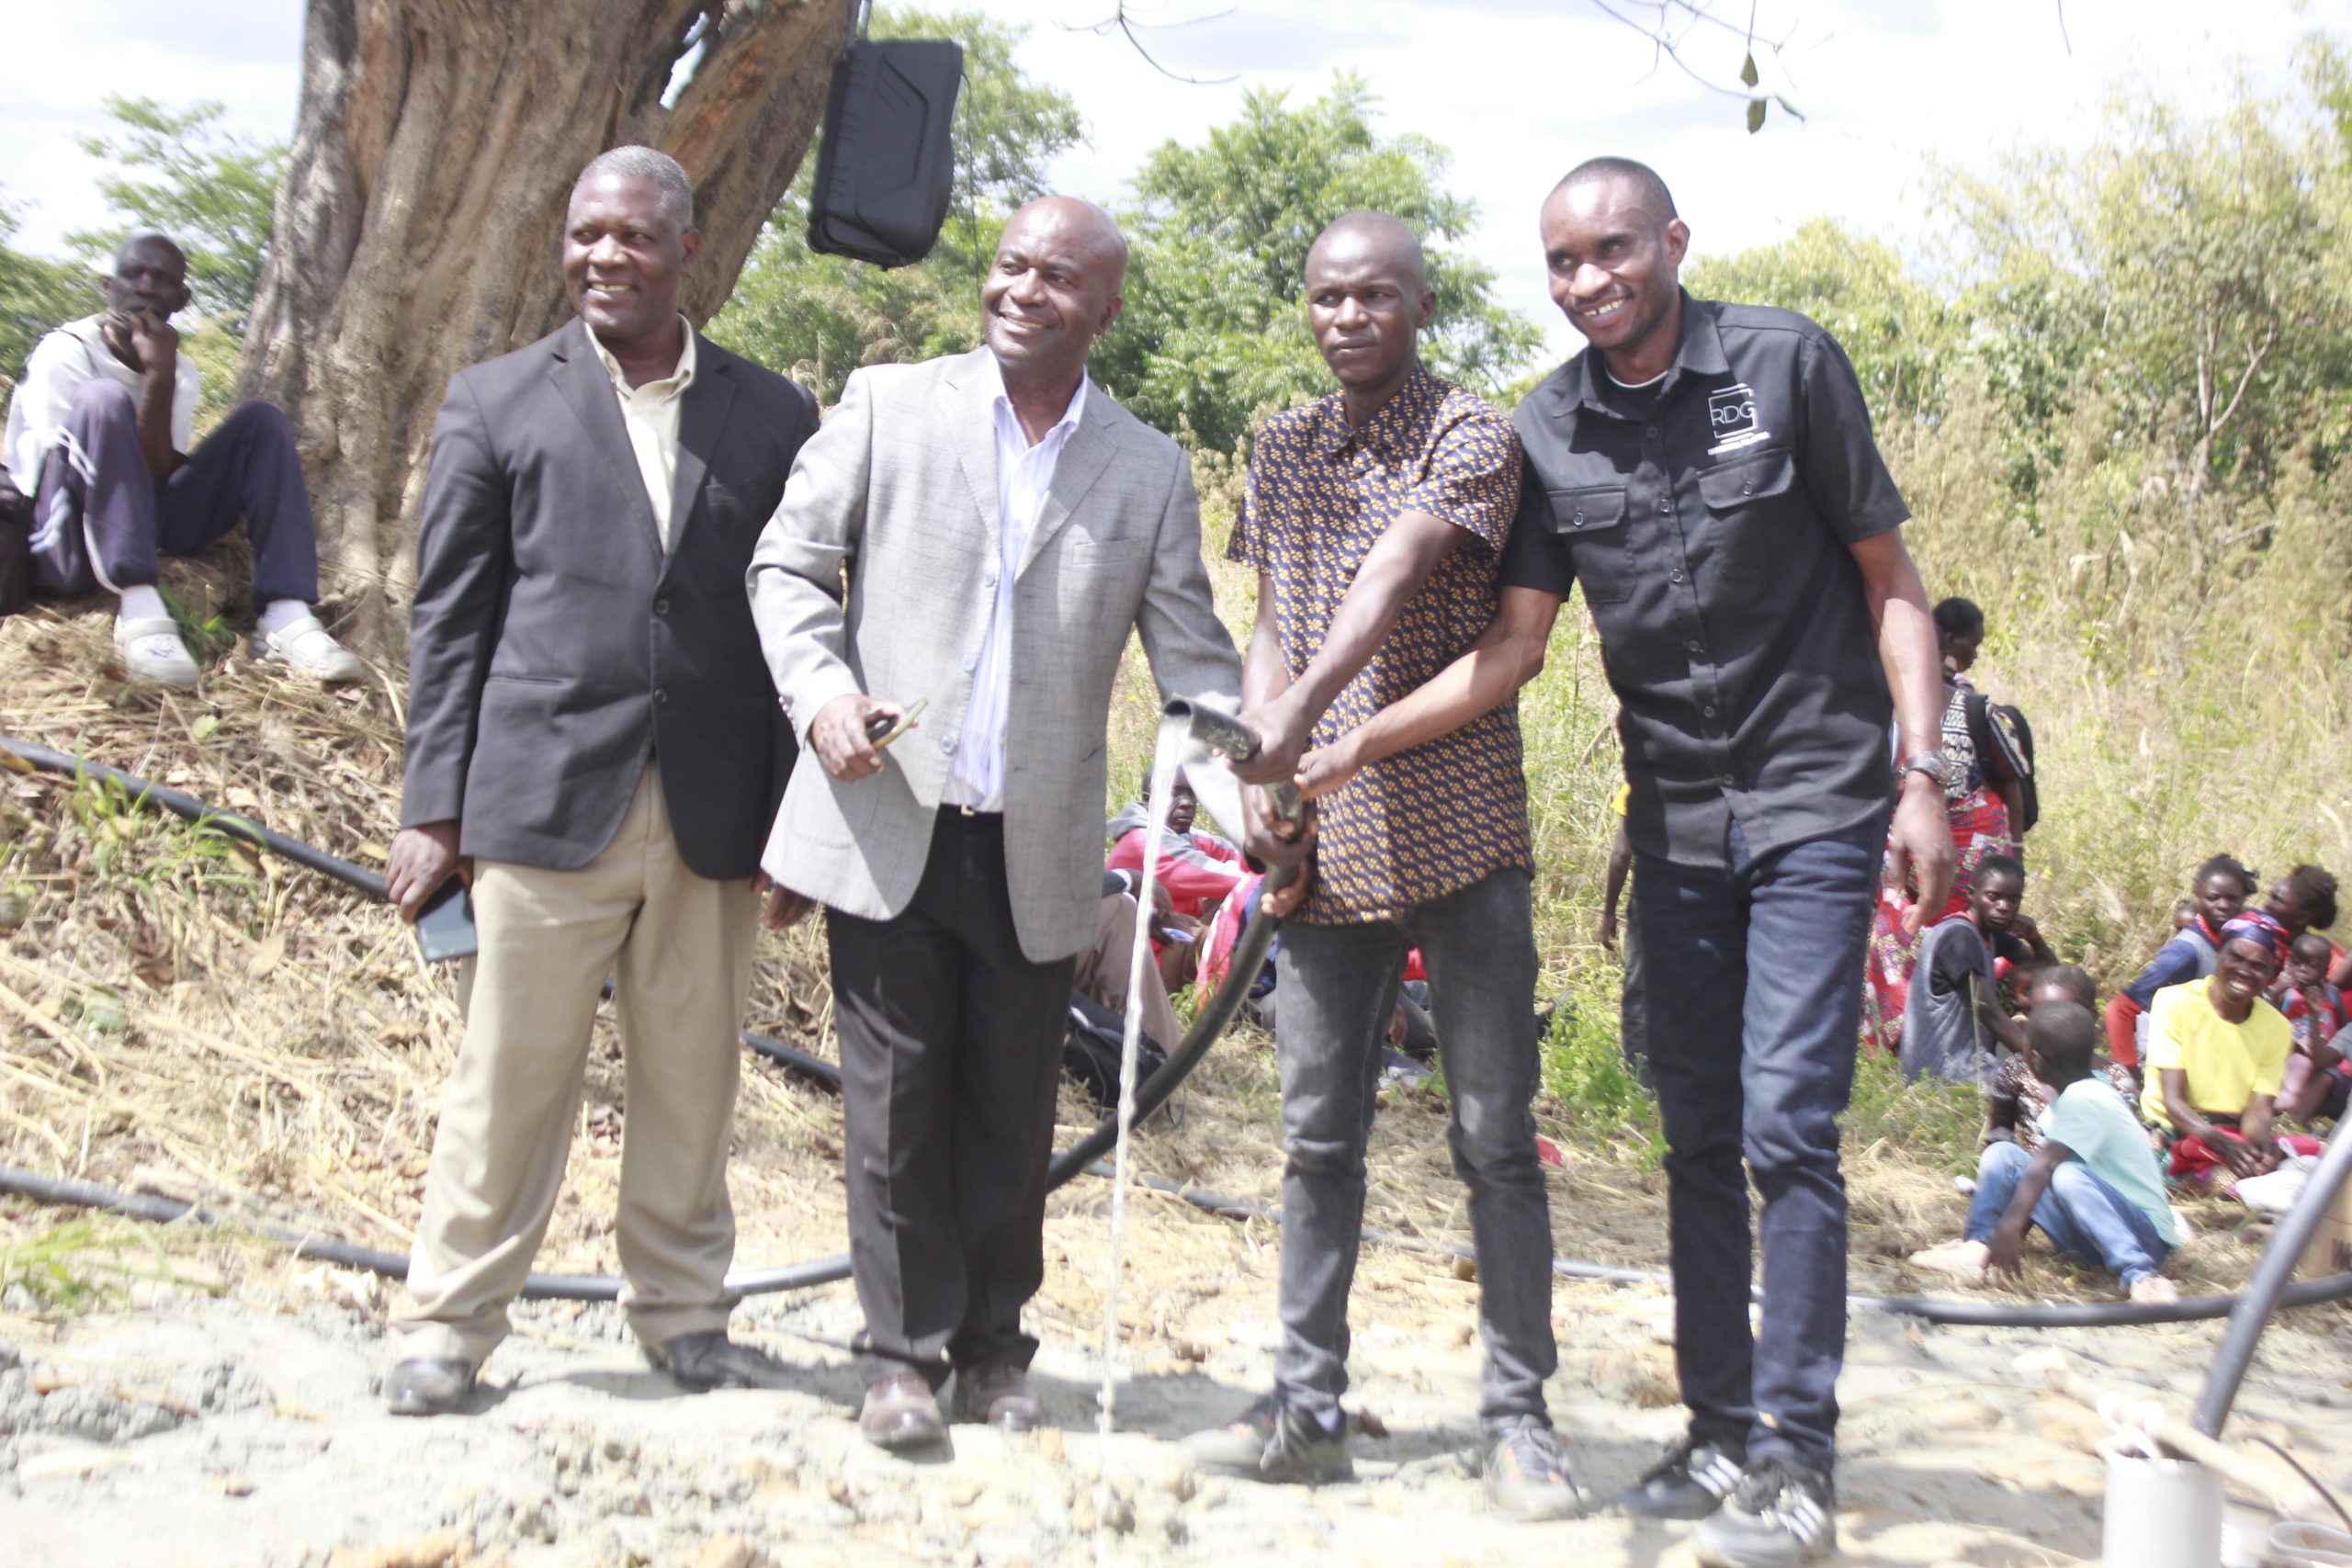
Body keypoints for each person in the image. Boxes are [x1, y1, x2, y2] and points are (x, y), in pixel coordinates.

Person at [1293, 159, 1952, 1565]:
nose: (1589, 280)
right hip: (1679, 824)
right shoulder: (1550, 423)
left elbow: (1891, 580)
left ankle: (1797, 1455)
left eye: (1613, 250)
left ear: (1674, 243)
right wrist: (1349, 744)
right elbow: (1514, 646)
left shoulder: (1784, 365)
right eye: (1563, 261)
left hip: (1819, 798)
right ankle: (1716, 1430)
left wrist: (1923, 771)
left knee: (1789, 1124)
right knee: (1697, 1129)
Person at [747, 197, 1256, 1453]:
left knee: (1011, 1112)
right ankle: (898, 1358)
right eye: (1011, 265)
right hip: (889, 815)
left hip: (1038, 844)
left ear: (1107, 308)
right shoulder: (890, 404)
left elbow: (1195, 665)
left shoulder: (1146, 468)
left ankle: (992, 1349)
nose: (1025, 289)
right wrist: (821, 697)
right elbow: (786, 565)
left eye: (1059, 276)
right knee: (893, 1105)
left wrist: (1257, 800)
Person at [378, 147, 818, 1416]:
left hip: (715, 806)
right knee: (508, 1076)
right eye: (585, 235)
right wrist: (433, 808)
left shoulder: (773, 413)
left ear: (688, 251)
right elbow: (450, 620)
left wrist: (799, 821)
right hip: (542, 799)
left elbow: (799, 620)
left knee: (693, 1076)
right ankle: (448, 1326)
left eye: (631, 235)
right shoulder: (497, 400)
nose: (603, 256)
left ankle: (682, 1315)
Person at [1182, 211, 1578, 1522]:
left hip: (1461, 831)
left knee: (1493, 1136)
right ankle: (1306, 1404)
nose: (1348, 317)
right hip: (1328, 844)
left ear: (1421, 306)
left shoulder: (1471, 435)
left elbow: (1392, 578)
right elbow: (1271, 618)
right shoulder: (1283, 441)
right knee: (1315, 1137)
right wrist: (1263, 759)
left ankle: (1520, 1421)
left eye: (1375, 296)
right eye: (1327, 297)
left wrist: (1312, 726)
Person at [0, 232, 363, 687]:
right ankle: (140, 614)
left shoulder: (179, 370)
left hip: (140, 526)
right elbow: (50, 478)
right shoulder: (67, 351)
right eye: (133, 274)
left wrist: (161, 376)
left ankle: (285, 616)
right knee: (103, 399)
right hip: (62, 536)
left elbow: (157, 476)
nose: (146, 287)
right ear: (109, 287)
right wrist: (152, 380)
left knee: (262, 423)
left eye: (162, 279)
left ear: (182, 299)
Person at [1910, 1002, 2179, 1303]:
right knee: (2003, 1154)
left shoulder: (2088, 1097)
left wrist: (2011, 1226)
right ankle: (1977, 1248)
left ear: (2035, 1060)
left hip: (2145, 1241)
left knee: (2066, 1175)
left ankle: (2141, 1276)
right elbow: (2035, 1177)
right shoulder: (2068, 1097)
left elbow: (2045, 1166)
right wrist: (2007, 1233)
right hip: (2094, 1238)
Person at [1861, 595, 2027, 1054]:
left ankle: (1963, 1037)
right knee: (1892, 934)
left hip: (1969, 852)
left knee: (1957, 936)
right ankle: (1902, 1042)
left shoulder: (1975, 711)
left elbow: (2011, 781)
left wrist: (2015, 856)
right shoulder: (1878, 710)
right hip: (1902, 847)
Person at [2142, 913, 2324, 1187]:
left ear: (2271, 975)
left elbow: (2258, 1111)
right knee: (2215, 1172)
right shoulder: (2176, 1002)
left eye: (2258, 966)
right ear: (2219, 955)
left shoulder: (2276, 1027)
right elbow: (2173, 1102)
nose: (2244, 971)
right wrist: (2223, 1145)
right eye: (2236, 958)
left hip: (2227, 1131)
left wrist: (2259, 1146)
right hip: (2173, 1126)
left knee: (2296, 1159)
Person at [1900, 854, 2049, 1085]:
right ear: (1972, 894)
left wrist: (2035, 939)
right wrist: (2051, 1069)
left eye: (2013, 900)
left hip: (1963, 1065)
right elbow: (1992, 1016)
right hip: (1943, 1072)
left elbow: (2052, 976)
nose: (2004, 907)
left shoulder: (1988, 934)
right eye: (1993, 897)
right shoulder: (1959, 937)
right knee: (2041, 1093)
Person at [2103, 854, 2256, 1070]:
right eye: (2213, 898)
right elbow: (2120, 1009)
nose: (2223, 905)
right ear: (2198, 897)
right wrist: (2130, 1072)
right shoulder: (2187, 951)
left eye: (2232, 899)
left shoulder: (2238, 940)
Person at [2273, 933, 2349, 1125]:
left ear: (2325, 970)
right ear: (2289, 960)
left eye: (2311, 966)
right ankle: (2285, 1102)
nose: (2302, 970)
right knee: (2302, 1063)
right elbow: (2268, 1016)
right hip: (2291, 1051)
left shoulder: (2332, 994)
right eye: (2297, 963)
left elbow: (2344, 1027)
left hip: (2323, 1053)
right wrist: (2276, 990)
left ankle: (2302, 1112)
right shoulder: (2286, 991)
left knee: (2323, 1074)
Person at [1600, 782, 1645, 1070]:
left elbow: (1621, 854)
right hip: (1707, 895)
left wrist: (1608, 914)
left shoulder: (1638, 785)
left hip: (1651, 898)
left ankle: (1637, 1073)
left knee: (1640, 988)